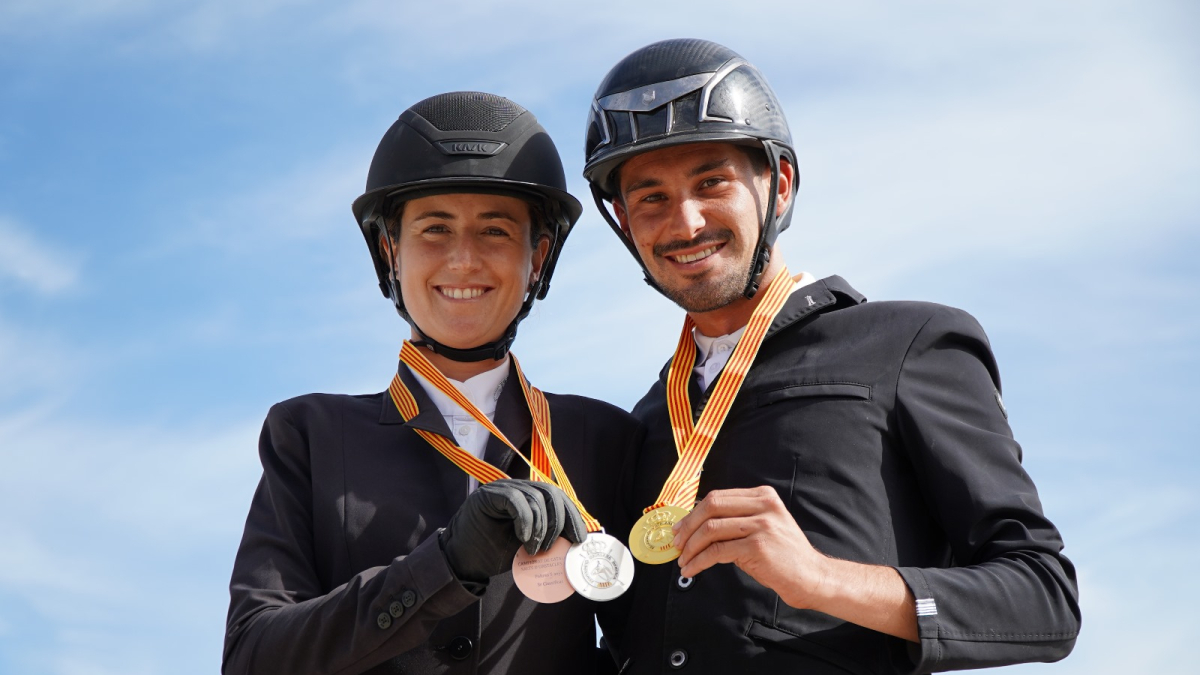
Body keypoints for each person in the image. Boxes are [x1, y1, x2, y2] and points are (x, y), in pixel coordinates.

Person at [583, 39, 1081, 674]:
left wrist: (821, 579)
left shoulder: (910, 342)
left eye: (712, 182)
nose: (684, 223)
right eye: (649, 197)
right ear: (624, 221)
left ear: (780, 185)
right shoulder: (646, 421)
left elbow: (1045, 600)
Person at [224, 91, 642, 675]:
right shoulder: (310, 435)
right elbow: (252, 657)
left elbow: (651, 647)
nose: (464, 260)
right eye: (434, 229)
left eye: (495, 231)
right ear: (390, 251)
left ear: (538, 258)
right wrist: (444, 564)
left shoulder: (607, 440)